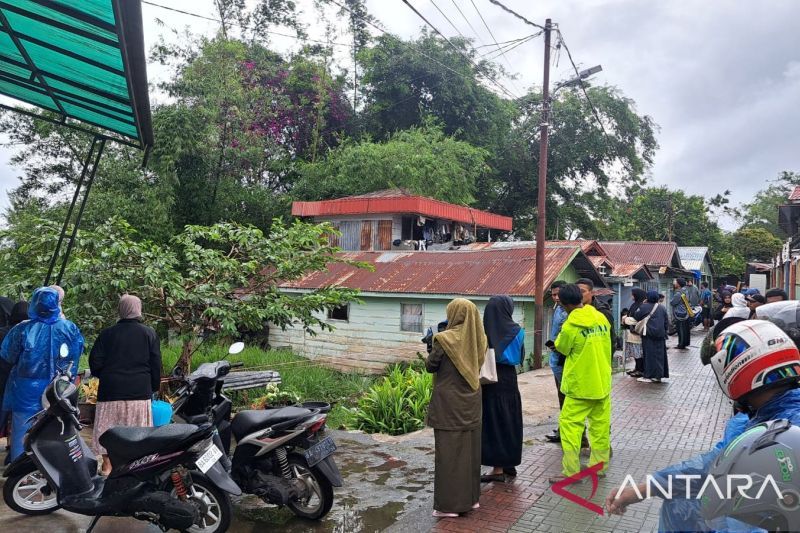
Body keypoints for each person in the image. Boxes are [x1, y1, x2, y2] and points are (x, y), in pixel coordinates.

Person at [605, 316, 800, 532]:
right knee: (681, 502)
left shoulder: (773, 433)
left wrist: (644, 489)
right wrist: (645, 488)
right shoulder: (758, 419)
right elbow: (712, 465)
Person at [0, 287, 83, 460]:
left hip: (25, 389)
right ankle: (48, 468)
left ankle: (20, 471)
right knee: (55, 428)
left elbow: (8, 355)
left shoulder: (22, 330)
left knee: (21, 430)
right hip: (58, 388)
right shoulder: (70, 328)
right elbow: (74, 356)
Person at [426, 298, 487, 518]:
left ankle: (449, 506)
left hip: (449, 403)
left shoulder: (443, 339)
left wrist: (431, 346)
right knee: (470, 452)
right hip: (471, 401)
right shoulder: (480, 338)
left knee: (449, 454)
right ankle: (471, 500)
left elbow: (431, 366)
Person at [90, 295, 161, 476]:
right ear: (138, 309)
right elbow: (155, 364)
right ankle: (134, 466)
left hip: (111, 390)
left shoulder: (107, 334)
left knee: (107, 428)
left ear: (121, 309)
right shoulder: (149, 333)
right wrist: (153, 386)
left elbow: (95, 363)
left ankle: (107, 466)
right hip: (139, 391)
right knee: (138, 431)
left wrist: (107, 376)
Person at [547, 284, 612, 483]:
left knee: (570, 428)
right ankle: (598, 467)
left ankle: (571, 472)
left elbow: (563, 349)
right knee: (600, 428)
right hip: (602, 382)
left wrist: (556, 344)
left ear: (565, 304)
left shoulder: (570, 326)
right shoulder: (601, 318)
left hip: (579, 386)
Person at [480, 295, 524, 483]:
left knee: (494, 423)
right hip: (510, 379)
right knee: (509, 420)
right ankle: (509, 464)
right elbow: (521, 356)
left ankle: (497, 470)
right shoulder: (518, 331)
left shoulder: (485, 332)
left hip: (491, 379)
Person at [545, 281, 569, 443]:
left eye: (558, 294)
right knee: (562, 398)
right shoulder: (558, 309)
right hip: (556, 359)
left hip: (564, 359)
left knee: (567, 399)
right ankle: (563, 430)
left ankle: (569, 434)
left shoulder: (569, 312)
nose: (556, 298)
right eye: (553, 295)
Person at [633, 290, 670, 383]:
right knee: (660, 356)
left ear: (648, 297)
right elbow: (666, 322)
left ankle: (648, 375)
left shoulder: (644, 307)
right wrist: (665, 332)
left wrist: (643, 304)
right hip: (661, 335)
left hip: (649, 334)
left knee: (649, 355)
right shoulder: (662, 308)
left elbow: (636, 316)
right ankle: (659, 376)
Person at [576, 278, 616, 358]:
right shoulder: (574, 310)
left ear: (592, 293)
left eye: (582, 291)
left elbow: (611, 339)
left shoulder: (602, 312)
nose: (579, 295)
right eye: (577, 292)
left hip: (599, 358)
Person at [622, 289, 647, 378]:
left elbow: (637, 319)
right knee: (635, 352)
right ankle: (637, 368)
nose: (631, 297)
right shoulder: (635, 304)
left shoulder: (641, 306)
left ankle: (640, 370)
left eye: (633, 295)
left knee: (638, 353)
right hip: (632, 332)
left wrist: (626, 319)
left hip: (637, 333)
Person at [670, 278, 692, 350]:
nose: (674, 283)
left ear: (678, 284)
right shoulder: (686, 290)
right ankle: (685, 343)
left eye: (675, 282)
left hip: (680, 313)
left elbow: (673, 302)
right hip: (685, 312)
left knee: (681, 330)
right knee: (685, 329)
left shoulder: (678, 293)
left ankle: (681, 344)